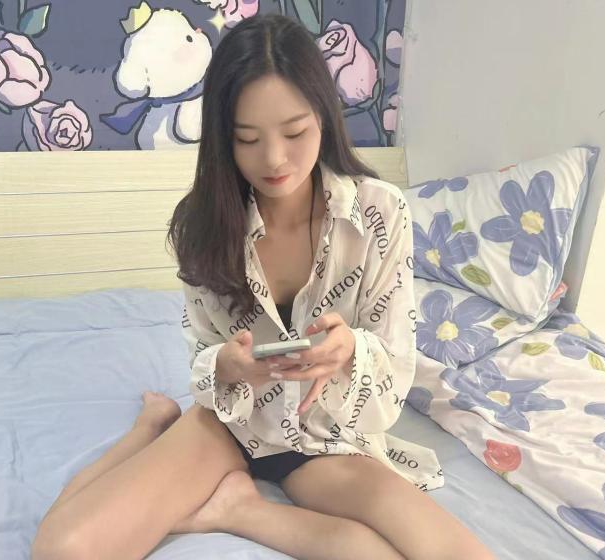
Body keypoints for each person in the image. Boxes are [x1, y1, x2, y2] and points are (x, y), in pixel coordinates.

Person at [32, 13, 494, 560]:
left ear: (324, 117)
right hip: (231, 423)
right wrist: (227, 367)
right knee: (62, 550)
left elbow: (393, 372)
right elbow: (203, 356)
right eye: (247, 139)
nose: (274, 159)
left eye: (295, 133)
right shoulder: (203, 224)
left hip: (323, 436)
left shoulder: (379, 214)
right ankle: (150, 425)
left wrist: (351, 352)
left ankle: (242, 509)